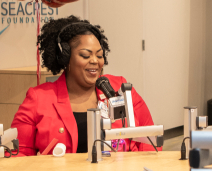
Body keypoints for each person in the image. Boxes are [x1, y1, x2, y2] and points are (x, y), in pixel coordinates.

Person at [11, 16, 155, 155]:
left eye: (99, 56)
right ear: (66, 58)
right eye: (86, 56)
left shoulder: (119, 88)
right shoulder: (38, 98)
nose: (94, 61)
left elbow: (149, 139)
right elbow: (19, 154)